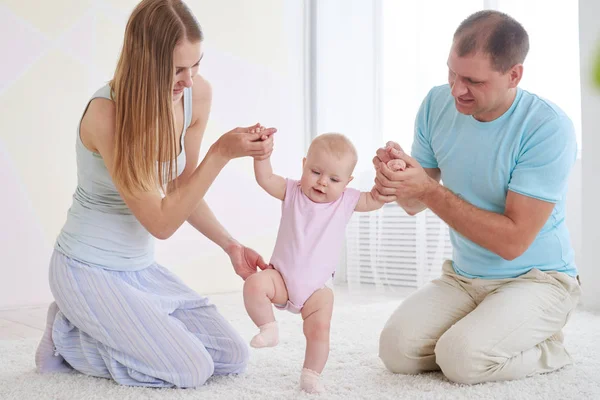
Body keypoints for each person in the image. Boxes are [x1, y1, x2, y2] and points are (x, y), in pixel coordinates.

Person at [34, 0, 276, 388]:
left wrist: (230, 245)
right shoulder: (107, 114)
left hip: (139, 269)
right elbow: (161, 222)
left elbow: (182, 188)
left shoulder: (196, 95)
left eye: (196, 64)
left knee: (231, 356)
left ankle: (101, 325)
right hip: (86, 268)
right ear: (145, 62)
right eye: (177, 69)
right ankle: (67, 333)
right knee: (189, 369)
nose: (189, 78)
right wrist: (221, 154)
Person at [373, 10, 582, 385]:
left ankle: (549, 345)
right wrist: (397, 179)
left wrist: (427, 189)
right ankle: (488, 330)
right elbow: (413, 203)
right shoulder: (438, 104)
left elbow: (512, 242)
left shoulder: (548, 127)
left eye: (473, 80)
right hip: (465, 278)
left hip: (538, 280)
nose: (457, 89)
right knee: (396, 351)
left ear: (514, 75)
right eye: (452, 72)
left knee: (461, 361)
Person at [243, 132, 403, 393]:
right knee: (254, 283)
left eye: (334, 179)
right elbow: (265, 178)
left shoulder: (346, 200)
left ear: (347, 182)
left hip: (316, 289)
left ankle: (311, 375)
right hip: (280, 278)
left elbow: (375, 198)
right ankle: (268, 327)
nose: (322, 182)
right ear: (304, 164)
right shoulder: (292, 190)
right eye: (315, 171)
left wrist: (391, 174)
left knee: (320, 329)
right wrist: (262, 155)